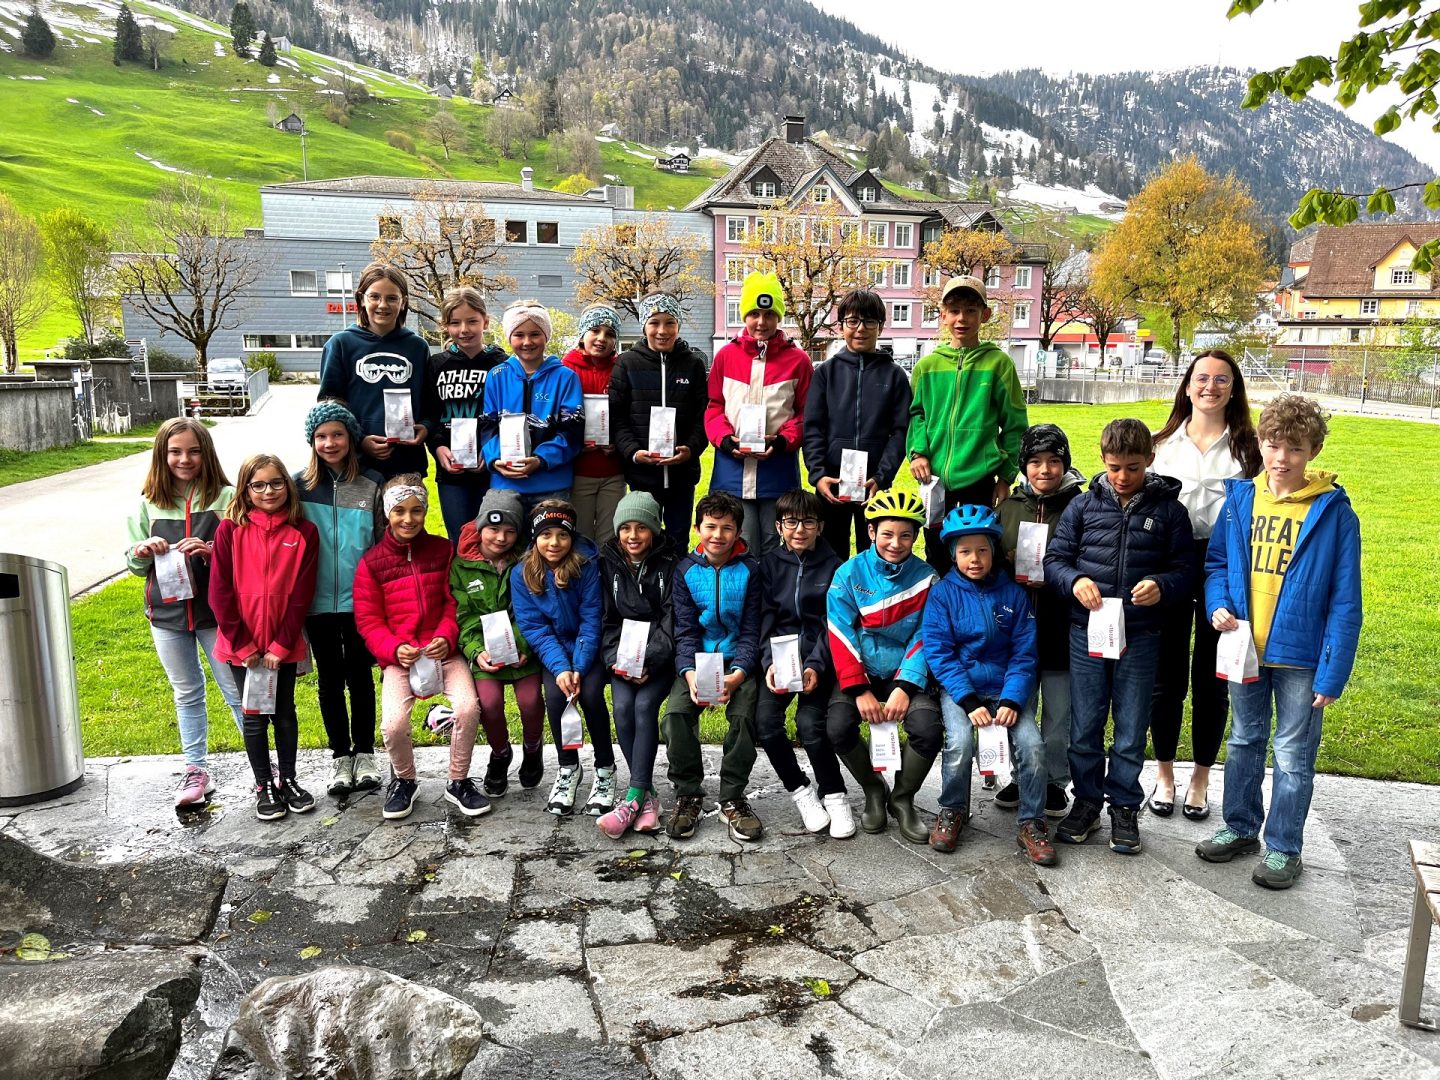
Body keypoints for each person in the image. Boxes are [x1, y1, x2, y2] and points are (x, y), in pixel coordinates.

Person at [1196, 395, 1362, 890]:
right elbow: (1218, 565)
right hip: (1246, 645)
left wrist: (1333, 672)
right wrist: (1218, 603)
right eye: (1273, 445)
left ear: (1312, 450)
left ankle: (1285, 847)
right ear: (1261, 445)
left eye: (1295, 447)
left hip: (1301, 657)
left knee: (1292, 754)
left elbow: (1345, 599)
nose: (1282, 457)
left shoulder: (1334, 514)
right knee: (1244, 740)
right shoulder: (1242, 500)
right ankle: (1241, 827)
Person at [1045, 419, 1194, 855]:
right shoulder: (1083, 507)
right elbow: (1056, 559)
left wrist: (1162, 585)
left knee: (1130, 726)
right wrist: (1074, 581)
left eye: (1132, 467)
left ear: (1150, 459)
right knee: (1085, 724)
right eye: (1114, 467)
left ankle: (1124, 805)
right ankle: (1087, 801)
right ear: (1102, 459)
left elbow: (1187, 571)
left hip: (1142, 635)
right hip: (1087, 631)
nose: (1123, 477)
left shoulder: (1169, 512)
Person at [1148, 350, 1262, 820]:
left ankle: (1200, 776)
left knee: (1213, 677)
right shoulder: (1161, 444)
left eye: (1221, 379)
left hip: (1225, 565)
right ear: (1187, 385)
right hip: (1171, 561)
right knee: (1166, 675)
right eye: (1201, 378)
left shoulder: (1248, 448)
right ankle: (1164, 772)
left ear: (1233, 388)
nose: (1209, 387)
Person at [126, 418, 244, 809]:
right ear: (162, 455)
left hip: (216, 615)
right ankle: (195, 768)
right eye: (175, 451)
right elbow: (133, 563)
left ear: (206, 453)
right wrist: (142, 551)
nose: (184, 459)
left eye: (193, 450)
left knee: (235, 690)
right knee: (187, 692)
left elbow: (244, 554)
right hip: (167, 617)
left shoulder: (227, 497)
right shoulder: (148, 501)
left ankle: (263, 763)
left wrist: (213, 551)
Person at [924, 506, 1053, 865]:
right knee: (961, 743)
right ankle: (953, 809)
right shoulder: (943, 595)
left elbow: (1025, 652)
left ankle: (1032, 820)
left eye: (982, 550)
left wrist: (1013, 700)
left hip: (1008, 689)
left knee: (1032, 746)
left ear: (993, 551)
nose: (975, 559)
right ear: (953, 554)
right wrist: (967, 700)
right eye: (965, 552)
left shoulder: (1012, 594)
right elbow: (939, 652)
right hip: (962, 690)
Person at [353, 475, 486, 821]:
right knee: (393, 725)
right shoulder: (372, 563)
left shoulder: (443, 550)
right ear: (387, 513)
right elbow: (369, 620)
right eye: (399, 511)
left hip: (443, 651)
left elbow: (453, 601)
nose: (408, 519)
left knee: (468, 708)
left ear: (426, 510)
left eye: (416, 510)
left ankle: (458, 781)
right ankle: (404, 780)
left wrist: (447, 635)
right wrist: (394, 648)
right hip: (400, 658)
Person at [826, 489, 941, 843]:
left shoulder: (927, 577)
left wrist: (906, 687)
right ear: (871, 531)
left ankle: (902, 798)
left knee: (928, 728)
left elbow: (926, 634)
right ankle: (874, 789)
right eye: (887, 533)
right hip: (860, 673)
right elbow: (839, 630)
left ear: (915, 536)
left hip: (904, 674)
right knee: (838, 725)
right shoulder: (848, 573)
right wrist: (859, 689)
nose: (896, 542)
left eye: (906, 535)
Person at [209, 454, 319, 821]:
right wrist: (243, 646)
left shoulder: (304, 532)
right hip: (242, 647)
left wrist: (280, 646)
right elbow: (220, 593)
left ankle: (288, 779)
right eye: (258, 485)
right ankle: (263, 785)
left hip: (281, 646)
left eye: (276, 483)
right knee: (254, 716)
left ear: (287, 487)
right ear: (245, 490)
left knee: (284, 712)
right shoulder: (229, 530)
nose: (268, 491)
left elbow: (302, 594)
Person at [906, 275, 1028, 574]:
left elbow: (1015, 424)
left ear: (984, 315)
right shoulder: (927, 366)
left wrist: (1006, 475)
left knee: (978, 554)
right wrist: (918, 452)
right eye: (955, 310)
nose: (963, 318)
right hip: (933, 480)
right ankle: (940, 613)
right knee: (936, 550)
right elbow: (916, 413)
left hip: (980, 478)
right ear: (943, 314)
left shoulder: (998, 364)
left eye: (971, 310)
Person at [995, 423, 1086, 819]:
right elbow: (991, 559)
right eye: (1034, 462)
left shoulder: (1080, 506)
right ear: (1023, 466)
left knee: (1059, 711)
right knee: (1020, 706)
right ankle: (1021, 773)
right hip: (1017, 628)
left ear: (1065, 464)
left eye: (1053, 461)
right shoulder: (1009, 508)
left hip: (1062, 624)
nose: (1044, 469)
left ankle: (1053, 781)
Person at [294, 401, 385, 798]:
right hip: (316, 602)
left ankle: (365, 753)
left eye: (337, 435)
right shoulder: (297, 486)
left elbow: (383, 544)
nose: (329, 443)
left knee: (361, 676)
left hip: (360, 600)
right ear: (311, 441)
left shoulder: (371, 484)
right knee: (330, 680)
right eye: (321, 436)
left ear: (351, 438)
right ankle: (339, 757)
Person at [664, 491, 763, 841]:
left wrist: (738, 675)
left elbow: (752, 631)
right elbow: (685, 630)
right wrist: (689, 674)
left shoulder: (751, 570)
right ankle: (688, 792)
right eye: (710, 527)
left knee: (745, 714)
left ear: (738, 532)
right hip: (698, 659)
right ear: (697, 528)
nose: (717, 536)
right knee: (675, 714)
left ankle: (733, 797)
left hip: (738, 659)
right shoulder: (686, 570)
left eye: (727, 528)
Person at [510, 500, 617, 817]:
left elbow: (591, 618)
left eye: (562, 535)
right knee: (556, 699)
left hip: (588, 650)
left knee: (592, 697)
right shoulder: (523, 573)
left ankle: (605, 768)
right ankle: (568, 767)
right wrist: (560, 669)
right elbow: (534, 626)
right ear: (535, 538)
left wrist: (579, 668)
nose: (554, 543)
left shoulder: (587, 567)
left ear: (572, 537)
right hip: (553, 652)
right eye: (546, 535)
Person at [755, 488, 851, 838]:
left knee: (811, 724)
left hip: (818, 659)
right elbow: (763, 618)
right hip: (778, 658)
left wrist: (816, 665)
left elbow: (833, 624)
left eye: (808, 522)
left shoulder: (836, 567)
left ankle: (835, 794)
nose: (799, 530)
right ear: (778, 526)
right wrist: (767, 661)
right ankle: (800, 790)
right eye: (791, 522)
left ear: (820, 526)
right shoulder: (767, 565)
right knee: (765, 723)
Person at [705, 271, 813, 556]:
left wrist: (780, 441)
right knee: (741, 544)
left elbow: (805, 414)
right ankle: (746, 600)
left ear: (779, 317)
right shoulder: (726, 357)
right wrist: (726, 440)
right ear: (744, 315)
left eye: (769, 314)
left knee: (775, 545)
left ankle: (774, 600)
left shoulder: (798, 360)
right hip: (732, 472)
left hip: (776, 473)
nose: (761, 322)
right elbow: (714, 407)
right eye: (754, 313)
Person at [451, 488, 547, 798]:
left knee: (530, 701)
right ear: (480, 528)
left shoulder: (529, 561)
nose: (501, 538)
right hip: (485, 654)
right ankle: (500, 753)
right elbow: (463, 616)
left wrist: (523, 646)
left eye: (509, 531)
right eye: (493, 529)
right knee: (489, 703)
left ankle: (532, 749)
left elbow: (535, 610)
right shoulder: (461, 565)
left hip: (523, 651)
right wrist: (476, 652)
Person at [803, 288, 912, 558]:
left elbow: (900, 433)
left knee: (875, 555)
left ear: (881, 326)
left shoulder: (896, 376)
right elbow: (813, 428)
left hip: (874, 487)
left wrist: (881, 477)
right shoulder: (825, 373)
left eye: (869, 322)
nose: (861, 329)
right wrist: (817, 476)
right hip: (831, 484)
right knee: (829, 556)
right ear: (841, 326)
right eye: (853, 321)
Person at [596, 491, 680, 838]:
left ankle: (632, 798)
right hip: (621, 658)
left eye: (642, 528)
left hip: (660, 658)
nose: (633, 536)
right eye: (626, 528)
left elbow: (674, 619)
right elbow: (603, 618)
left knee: (645, 706)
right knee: (622, 707)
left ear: (655, 531)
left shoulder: (674, 562)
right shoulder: (606, 563)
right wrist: (617, 659)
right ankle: (646, 798)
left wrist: (650, 658)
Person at [609, 294, 710, 547]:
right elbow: (617, 417)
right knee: (643, 540)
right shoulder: (627, 363)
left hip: (682, 476)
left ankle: (675, 586)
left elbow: (702, 417)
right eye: (654, 323)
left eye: (670, 323)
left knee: (678, 538)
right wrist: (633, 452)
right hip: (642, 476)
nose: (662, 331)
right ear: (644, 325)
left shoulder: (693, 364)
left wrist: (691, 449)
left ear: (678, 326)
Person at [317, 262, 434, 480]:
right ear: (361, 298)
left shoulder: (417, 347)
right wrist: (358, 439)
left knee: (405, 516)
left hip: (406, 462)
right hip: (356, 464)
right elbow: (329, 406)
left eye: (392, 298)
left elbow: (430, 402)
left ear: (403, 302)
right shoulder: (341, 344)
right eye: (374, 297)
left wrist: (425, 427)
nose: (383, 305)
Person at [481, 299, 583, 516]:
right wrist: (495, 458)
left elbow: (573, 431)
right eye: (519, 335)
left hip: (552, 484)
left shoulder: (565, 378)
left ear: (546, 335)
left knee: (550, 548)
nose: (527, 342)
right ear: (509, 338)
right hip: (505, 484)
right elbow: (487, 426)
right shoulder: (496, 376)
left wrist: (540, 460)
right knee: (503, 545)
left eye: (535, 334)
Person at [425, 287, 508, 543]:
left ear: (485, 321)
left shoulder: (501, 364)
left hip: (491, 469)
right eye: (455, 322)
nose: (464, 329)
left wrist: (493, 449)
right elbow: (429, 413)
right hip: (452, 472)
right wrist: (438, 448)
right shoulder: (437, 364)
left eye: (472, 321)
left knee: (494, 539)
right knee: (459, 539)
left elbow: (510, 415)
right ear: (445, 326)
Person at [562, 305, 627, 544]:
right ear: (582, 334)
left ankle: (609, 581)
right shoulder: (565, 370)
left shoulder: (622, 369)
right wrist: (575, 442)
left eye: (610, 333)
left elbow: (629, 415)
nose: (602, 338)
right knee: (580, 536)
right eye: (595, 330)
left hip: (613, 470)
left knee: (610, 538)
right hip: (579, 471)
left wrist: (619, 443)